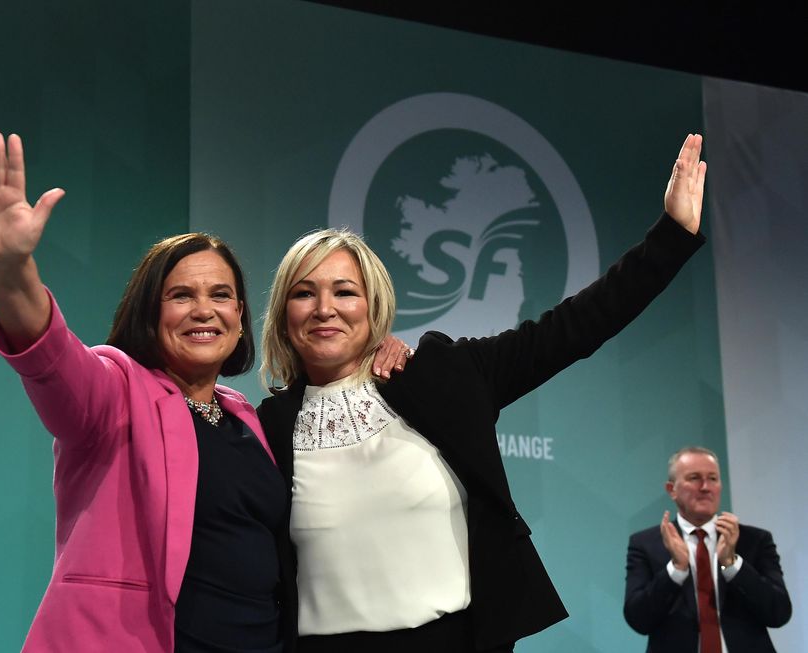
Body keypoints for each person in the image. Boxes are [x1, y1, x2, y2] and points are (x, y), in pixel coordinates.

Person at [256, 134, 710, 652]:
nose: (324, 308)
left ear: (374, 305)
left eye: (344, 291)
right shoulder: (265, 427)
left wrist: (671, 237)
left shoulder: (441, 375)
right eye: (304, 293)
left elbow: (574, 327)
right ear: (284, 315)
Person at [0, 131, 412, 652]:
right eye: (181, 295)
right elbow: (50, 356)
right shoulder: (115, 390)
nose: (204, 310)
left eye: (221, 295)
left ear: (239, 317)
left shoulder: (249, 418)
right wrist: (10, 270)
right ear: (150, 313)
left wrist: (383, 351)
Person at [624, 446, 792, 652]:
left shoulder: (754, 540)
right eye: (694, 478)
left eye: (713, 478)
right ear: (671, 489)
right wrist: (676, 570)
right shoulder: (646, 544)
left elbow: (779, 613)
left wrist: (732, 565)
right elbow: (638, 620)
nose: (705, 487)